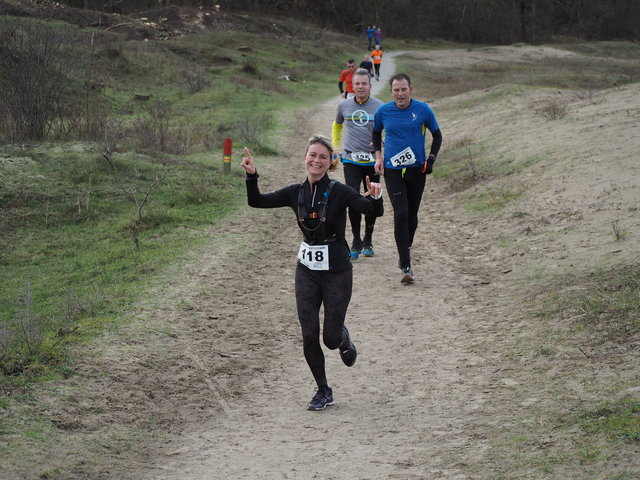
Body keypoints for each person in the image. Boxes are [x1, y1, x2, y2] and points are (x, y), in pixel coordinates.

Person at [240, 135, 383, 411]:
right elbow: (257, 202)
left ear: (331, 163)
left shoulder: (340, 191)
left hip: (337, 271)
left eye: (322, 156)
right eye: (312, 155)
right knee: (308, 334)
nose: (316, 160)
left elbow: (369, 210)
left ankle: (342, 337)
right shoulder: (295, 192)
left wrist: (375, 197)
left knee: (329, 338)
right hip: (307, 270)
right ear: (305, 158)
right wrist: (251, 175)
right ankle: (323, 389)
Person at [373, 73, 442, 284]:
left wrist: (430, 160)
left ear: (410, 89)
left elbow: (437, 135)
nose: (400, 93)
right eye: (396, 90)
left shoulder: (423, 110)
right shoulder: (383, 111)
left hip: (416, 169)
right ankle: (406, 264)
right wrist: (378, 157)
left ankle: (406, 245)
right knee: (401, 213)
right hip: (393, 170)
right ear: (391, 91)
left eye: (404, 89)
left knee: (412, 216)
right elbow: (376, 133)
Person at [332, 68, 384, 259]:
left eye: (364, 84)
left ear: (370, 86)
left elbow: (389, 130)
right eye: (357, 84)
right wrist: (336, 147)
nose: (360, 87)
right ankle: (355, 240)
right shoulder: (344, 105)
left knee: (372, 197)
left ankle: (368, 239)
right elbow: (336, 125)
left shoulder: (380, 107)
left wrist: (381, 144)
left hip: (372, 159)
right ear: (352, 86)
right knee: (352, 197)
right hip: (351, 159)